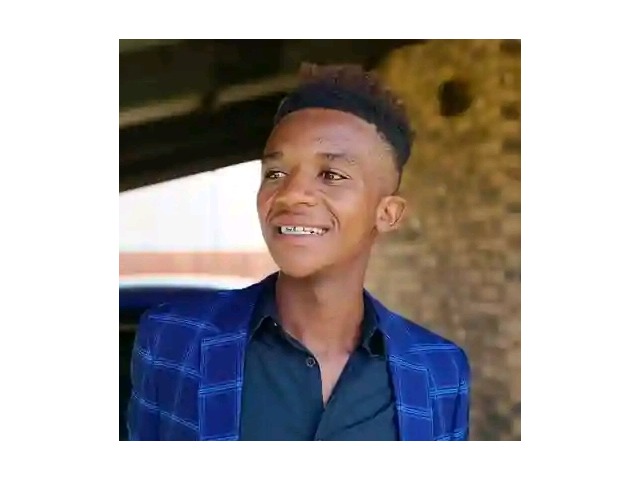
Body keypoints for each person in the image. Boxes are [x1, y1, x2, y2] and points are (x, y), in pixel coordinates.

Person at [127, 63, 470, 441]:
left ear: (387, 214)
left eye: (331, 175)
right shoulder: (172, 340)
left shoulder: (441, 371)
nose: (290, 195)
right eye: (275, 174)